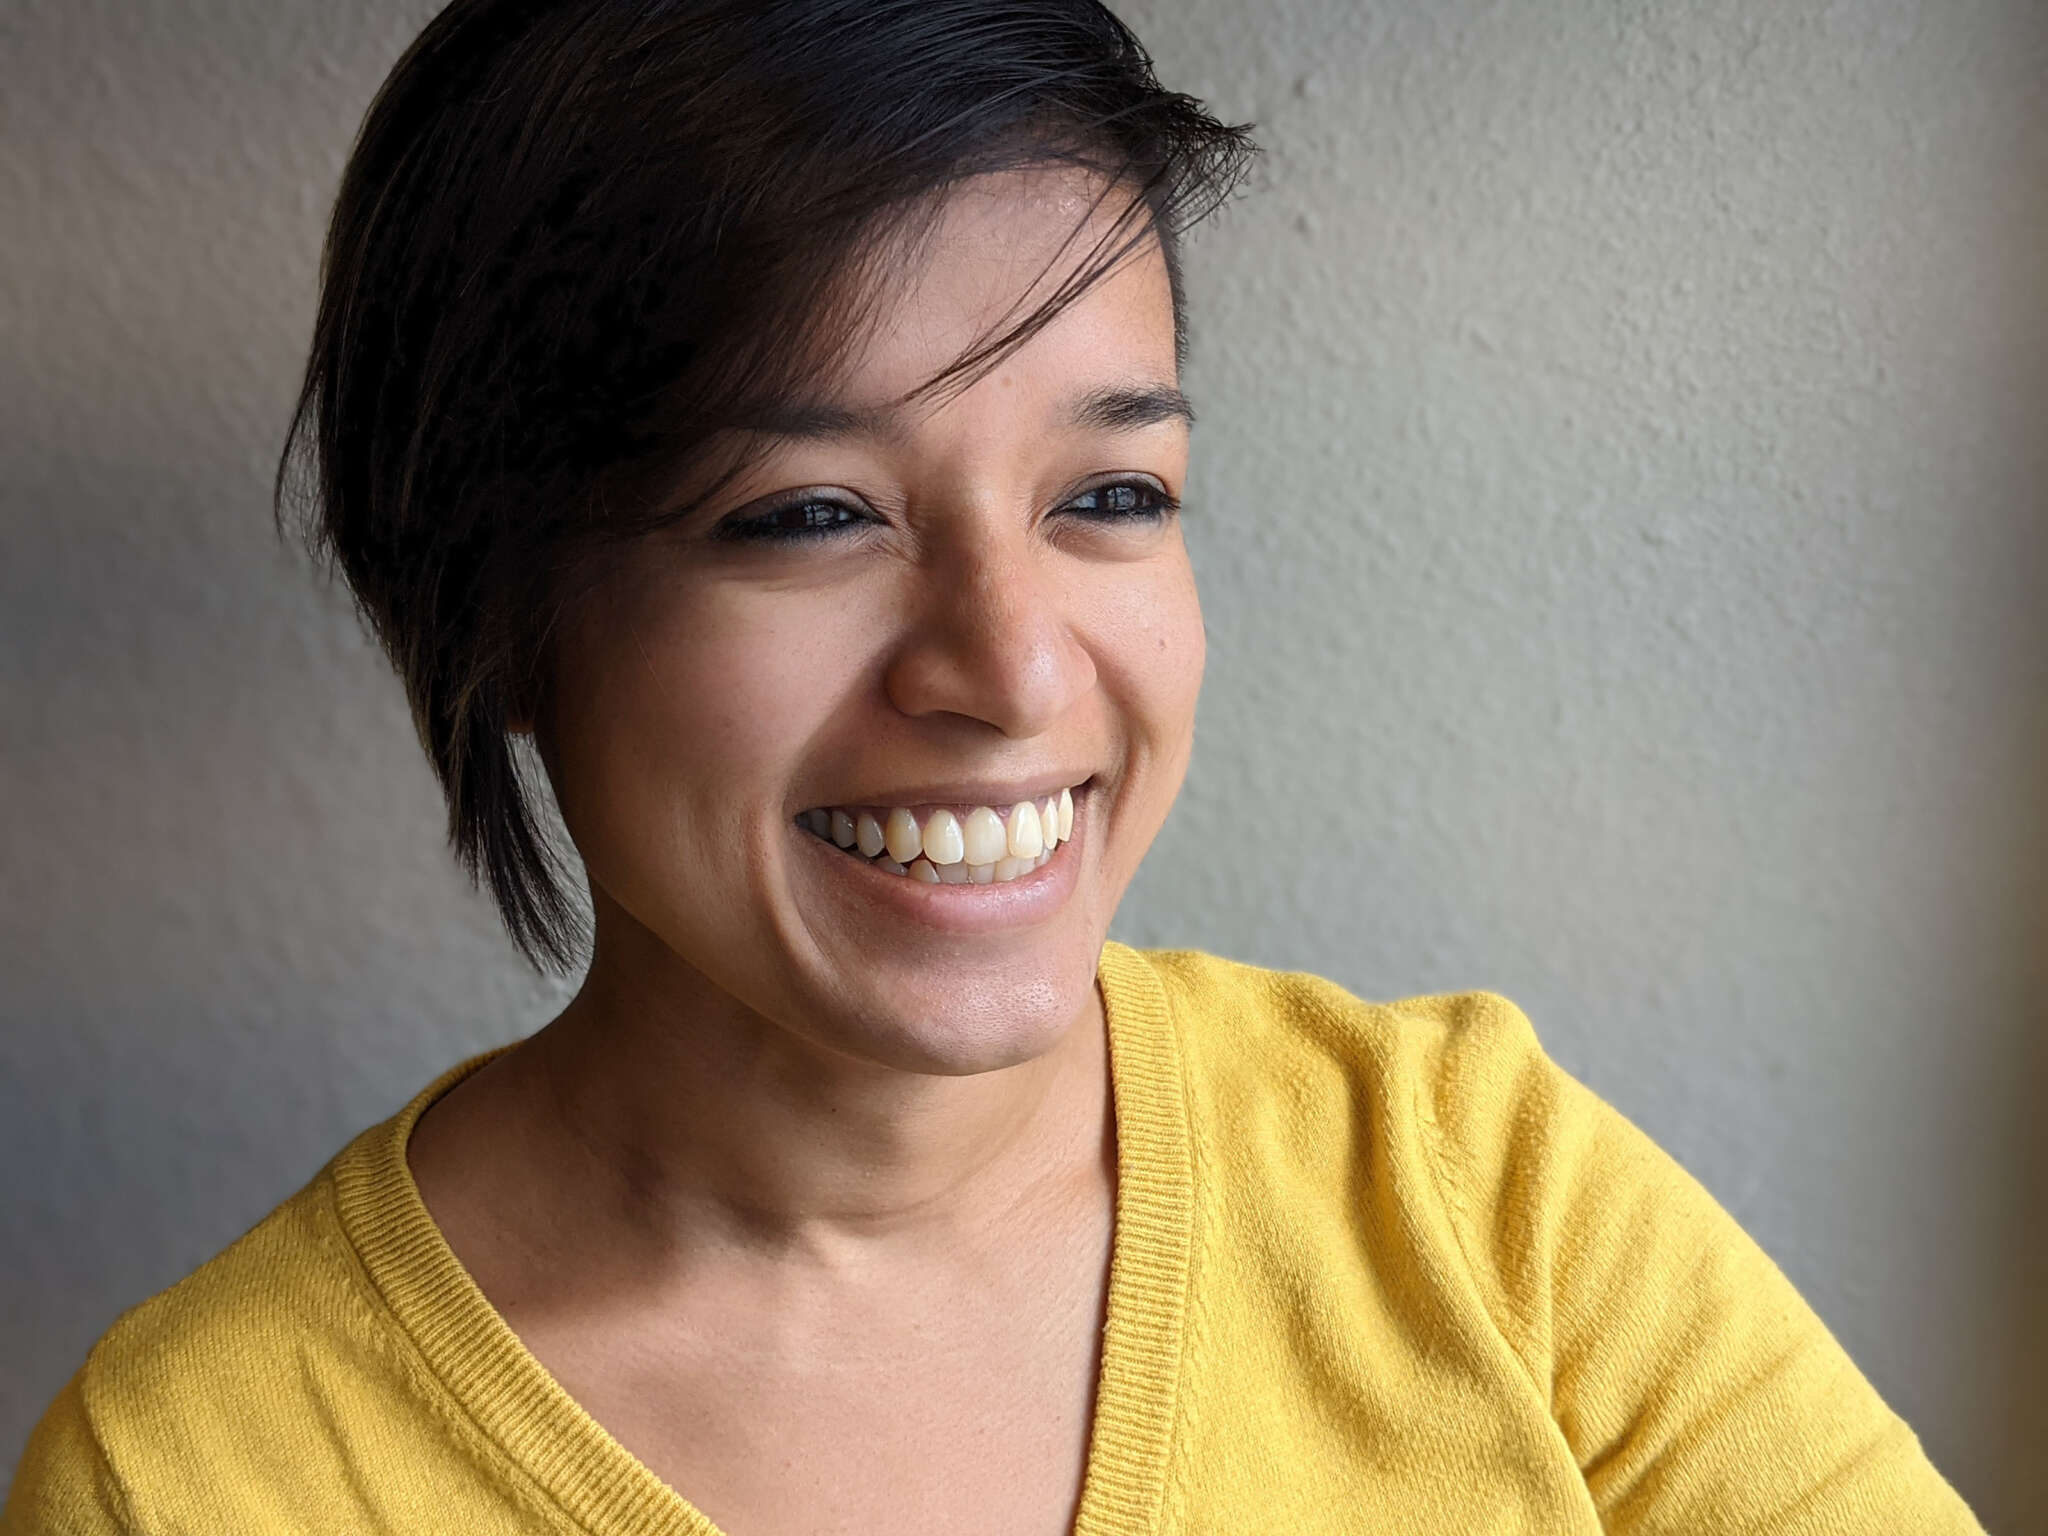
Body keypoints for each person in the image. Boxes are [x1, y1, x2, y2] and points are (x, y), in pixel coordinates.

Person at [2, 2, 1988, 1532]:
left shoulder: (1472, 1195)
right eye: (807, 516)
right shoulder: (205, 1476)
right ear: (496, 605)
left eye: (1107, 494)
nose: (1015, 668)